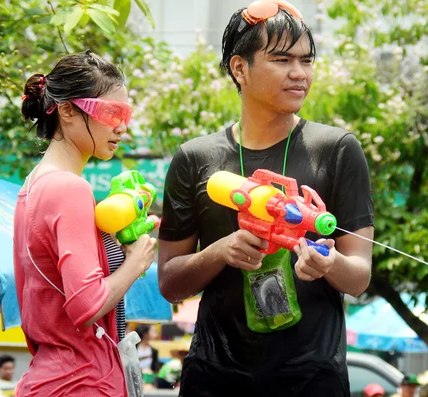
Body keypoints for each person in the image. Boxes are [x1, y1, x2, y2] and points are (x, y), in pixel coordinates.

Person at [157, 1, 374, 396]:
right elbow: (170, 283)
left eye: (307, 61)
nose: (299, 73)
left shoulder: (337, 149)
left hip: (311, 381)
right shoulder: (196, 158)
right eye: (282, 60)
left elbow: (359, 275)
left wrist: (328, 262)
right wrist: (220, 251)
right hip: (214, 378)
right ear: (240, 68)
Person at [13, 50, 156, 396]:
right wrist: (136, 260)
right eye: (111, 112)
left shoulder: (33, 186)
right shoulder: (69, 188)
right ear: (66, 111)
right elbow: (86, 304)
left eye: (126, 113)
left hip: (56, 376)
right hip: (81, 380)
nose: (122, 126)